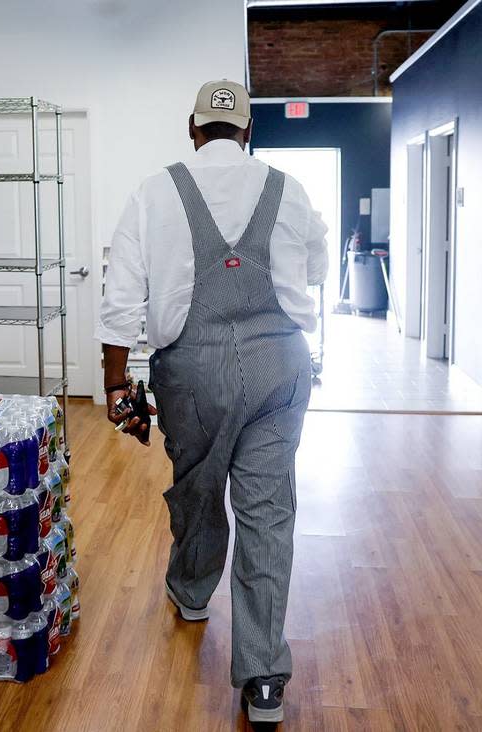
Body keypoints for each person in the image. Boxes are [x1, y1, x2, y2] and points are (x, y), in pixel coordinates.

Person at [96, 79, 328, 728]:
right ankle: (263, 682)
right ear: (249, 130)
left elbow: (121, 297)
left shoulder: (154, 191)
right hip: (280, 365)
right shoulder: (291, 191)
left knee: (199, 491)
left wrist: (117, 385)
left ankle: (193, 595)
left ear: (192, 128)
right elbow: (312, 269)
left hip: (192, 373)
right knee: (267, 512)